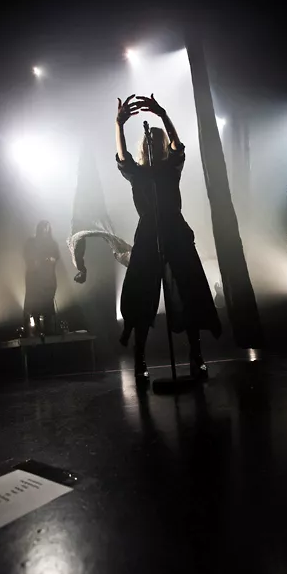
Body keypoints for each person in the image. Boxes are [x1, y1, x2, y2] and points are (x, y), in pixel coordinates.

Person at [115, 93, 222, 381]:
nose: (151, 142)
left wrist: (163, 115)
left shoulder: (170, 169)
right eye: (147, 140)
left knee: (189, 289)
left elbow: (178, 146)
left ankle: (196, 355)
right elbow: (123, 158)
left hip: (174, 230)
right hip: (148, 233)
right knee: (141, 293)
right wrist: (119, 125)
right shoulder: (137, 174)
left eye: (155, 139)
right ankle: (139, 358)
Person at [23, 221, 60, 335]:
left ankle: (49, 330)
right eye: (43, 228)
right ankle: (36, 329)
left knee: (48, 304)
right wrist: (37, 261)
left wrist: (50, 260)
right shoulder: (31, 242)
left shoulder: (52, 243)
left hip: (48, 279)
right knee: (35, 304)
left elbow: (56, 257)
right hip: (35, 279)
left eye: (47, 228)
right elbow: (27, 257)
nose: (45, 230)